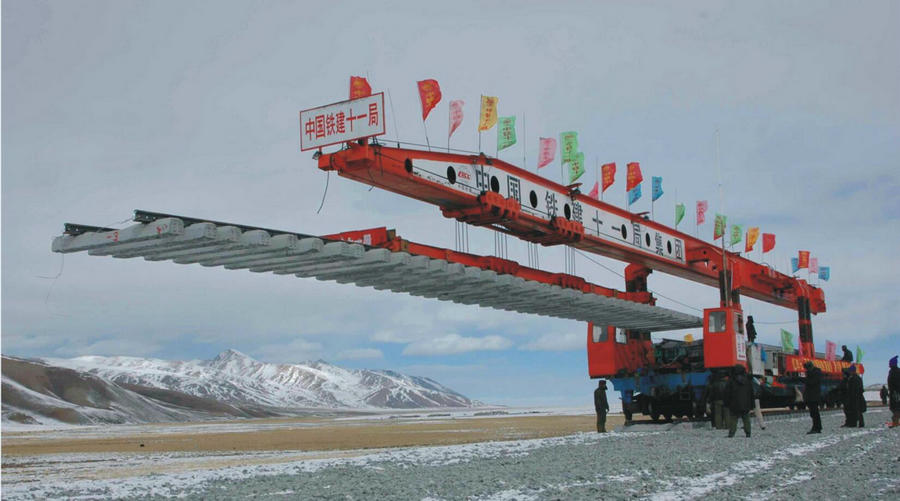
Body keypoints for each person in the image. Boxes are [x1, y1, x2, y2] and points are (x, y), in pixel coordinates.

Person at [725, 364, 754, 438]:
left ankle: (731, 433)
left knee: (733, 418)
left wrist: (727, 403)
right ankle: (748, 433)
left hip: (734, 403)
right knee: (746, 418)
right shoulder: (747, 380)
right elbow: (751, 393)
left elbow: (727, 393)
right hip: (746, 403)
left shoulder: (731, 381)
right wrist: (752, 404)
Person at [801, 361, 823, 434]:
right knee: (814, 413)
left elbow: (811, 382)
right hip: (812, 396)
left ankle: (816, 428)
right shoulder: (816, 373)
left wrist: (804, 379)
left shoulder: (815, 374)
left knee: (814, 413)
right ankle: (817, 427)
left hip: (813, 397)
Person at [889, 355, 900, 428]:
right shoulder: (893, 371)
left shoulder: (895, 372)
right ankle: (895, 422)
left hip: (896, 393)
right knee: (894, 408)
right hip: (894, 393)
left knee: (896, 408)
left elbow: (896, 383)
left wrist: (896, 392)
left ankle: (895, 422)